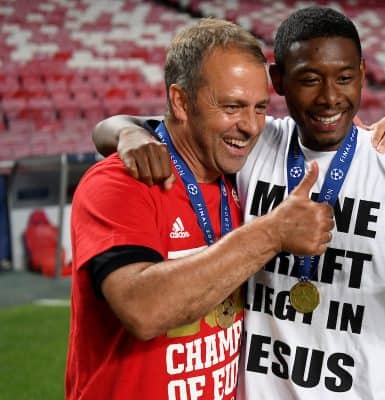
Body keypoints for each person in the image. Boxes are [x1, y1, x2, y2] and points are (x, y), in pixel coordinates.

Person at [93, 7, 385, 399]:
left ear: (362, 76)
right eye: (309, 80)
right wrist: (130, 134)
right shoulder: (251, 142)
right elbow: (150, 127)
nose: (329, 97)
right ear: (279, 80)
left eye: (344, 78)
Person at [66, 18, 336, 400]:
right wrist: (272, 233)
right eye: (231, 106)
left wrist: (372, 131)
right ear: (181, 101)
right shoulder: (120, 182)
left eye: (260, 108)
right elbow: (142, 309)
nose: (250, 126)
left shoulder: (235, 175)